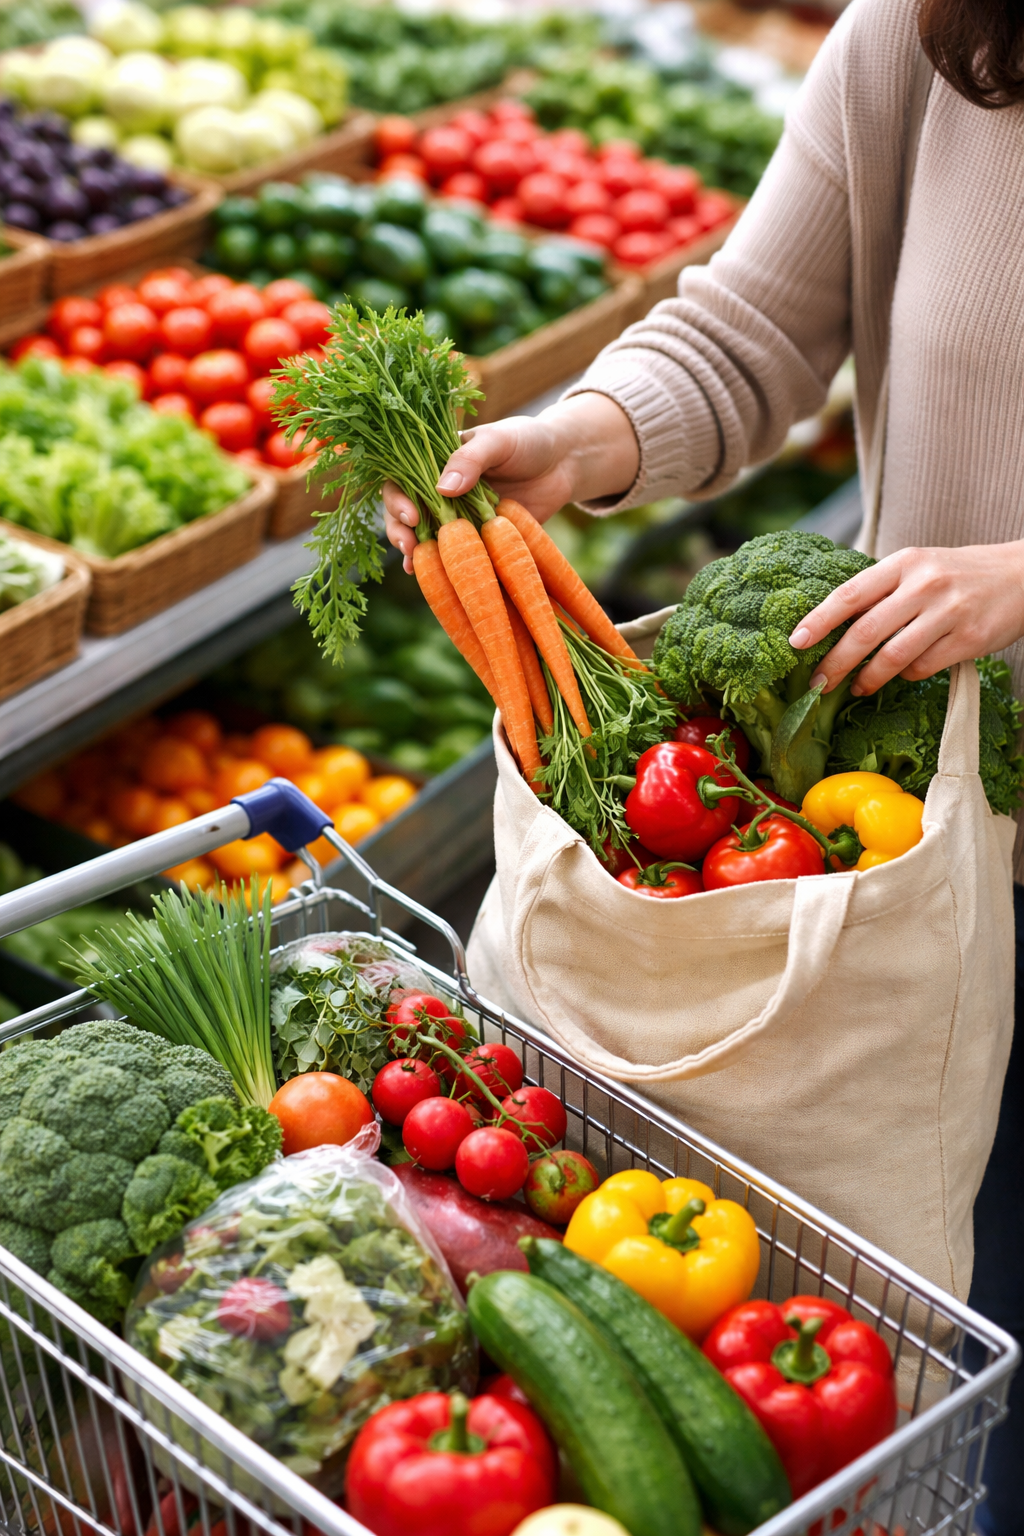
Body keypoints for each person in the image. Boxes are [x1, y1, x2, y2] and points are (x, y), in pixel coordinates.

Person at [384, 0, 1024, 1527]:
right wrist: (583, 439)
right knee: (929, 1339)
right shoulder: (930, 44)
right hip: (910, 855)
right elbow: (746, 332)